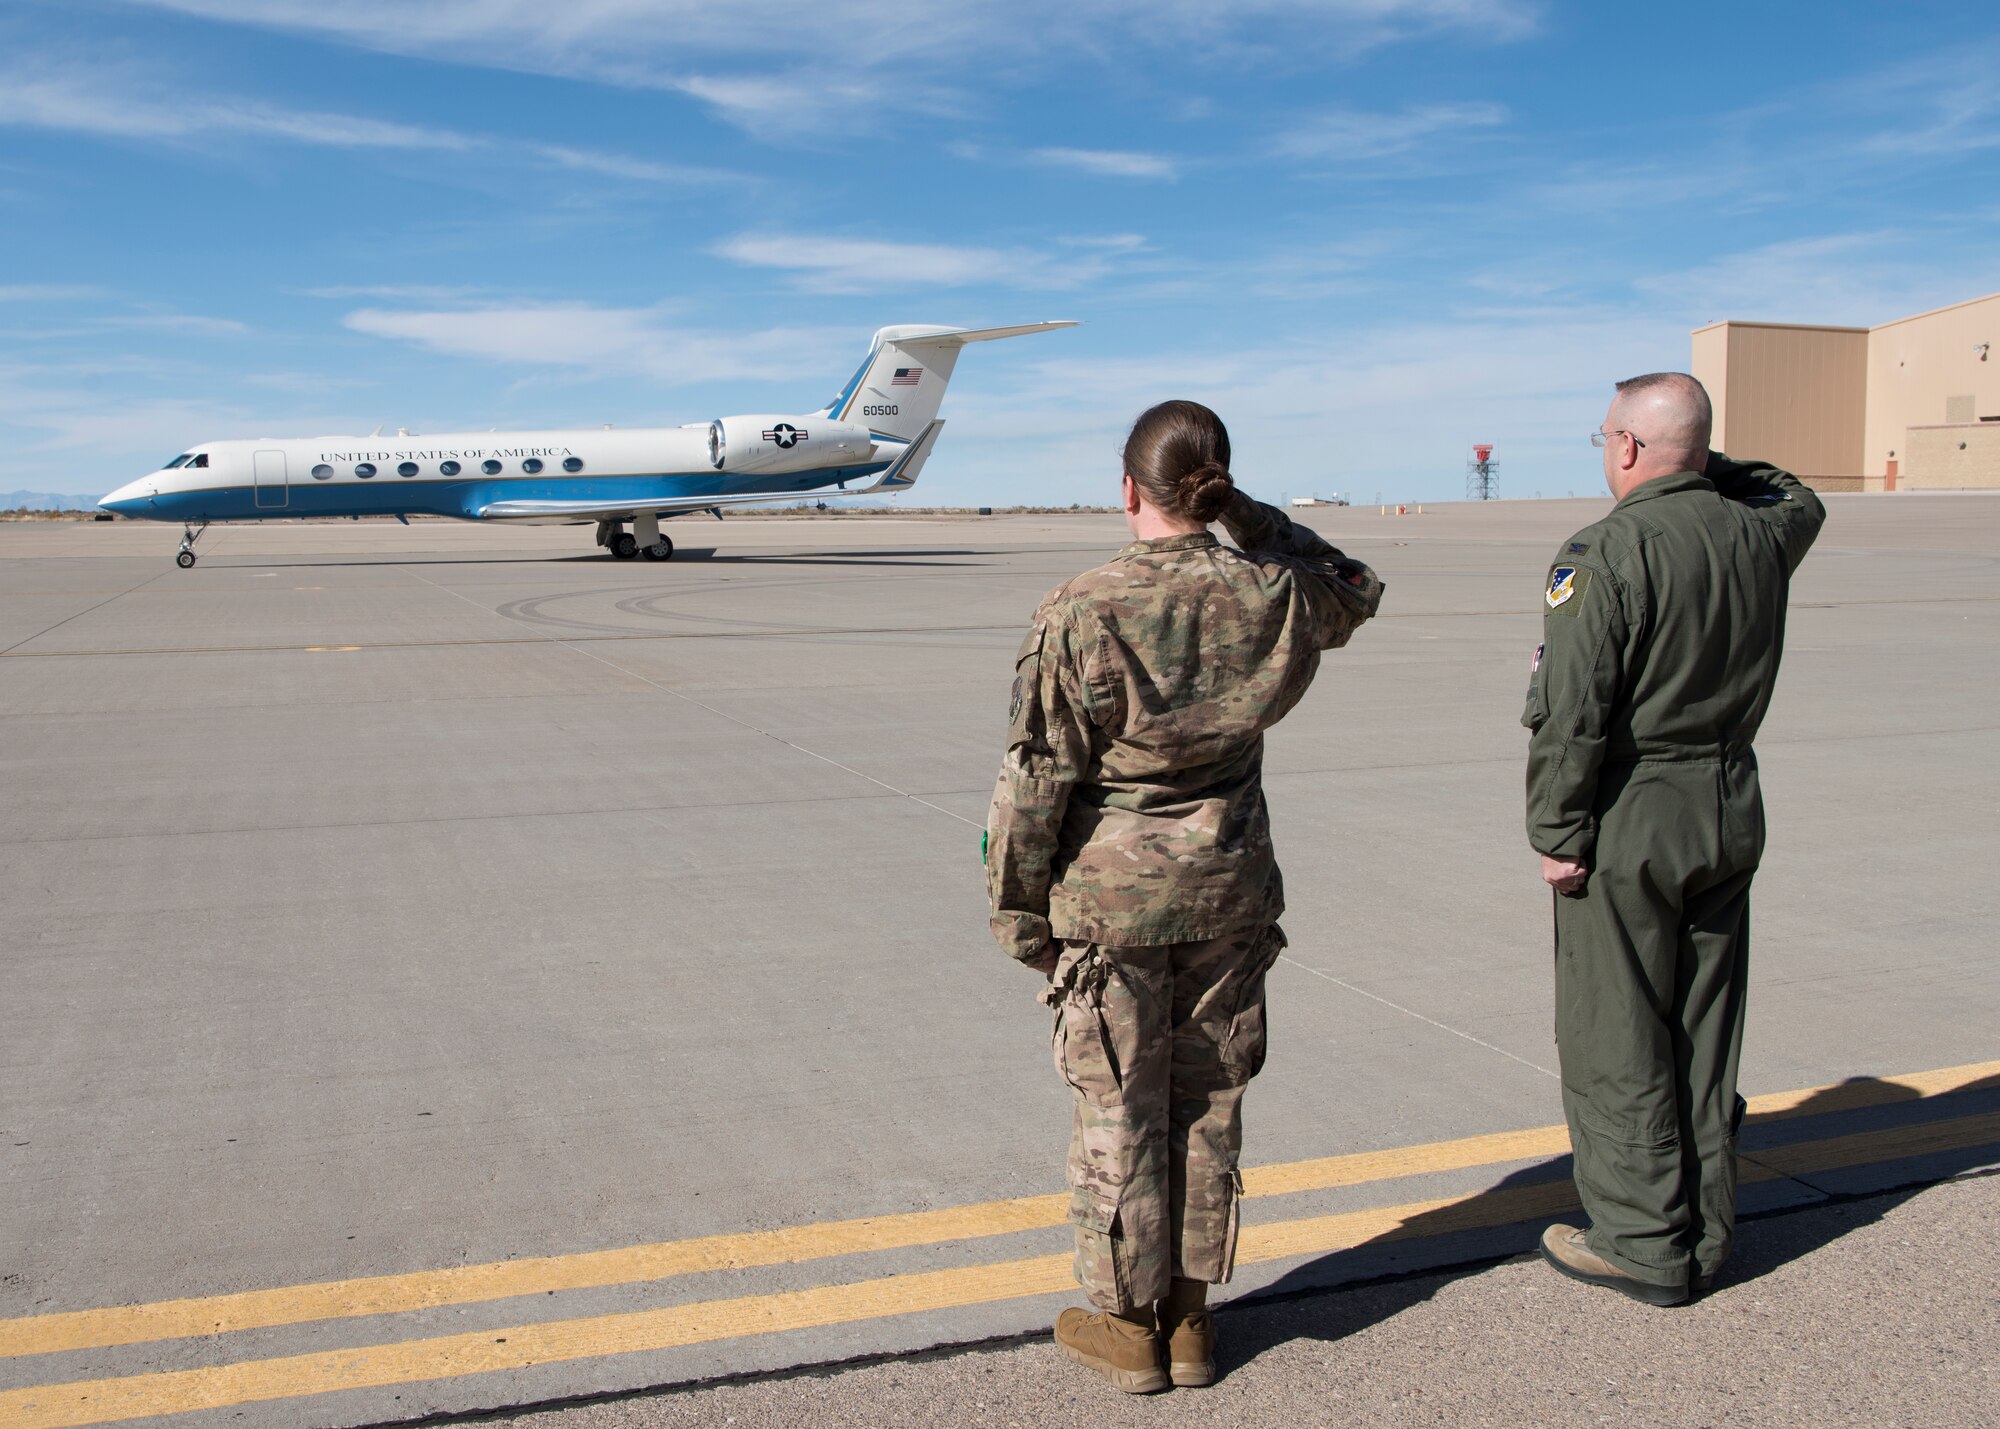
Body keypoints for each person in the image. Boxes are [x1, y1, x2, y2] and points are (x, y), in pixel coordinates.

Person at [986, 400, 1383, 1392]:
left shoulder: (1079, 606)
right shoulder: (1273, 594)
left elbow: (1036, 775)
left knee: (1117, 1103)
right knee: (1207, 1097)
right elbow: (1355, 584)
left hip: (1110, 900)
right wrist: (1240, 514)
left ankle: (1127, 1326)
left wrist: (1015, 904)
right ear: (1214, 486)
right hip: (1226, 885)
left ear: (1128, 489)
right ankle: (1192, 1317)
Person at [1524, 372, 1825, 1306]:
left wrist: (1557, 829)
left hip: (1635, 810)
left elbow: (1573, 713)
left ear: (1624, 449)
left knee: (1616, 1028)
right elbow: (1796, 496)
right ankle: (1705, 1226)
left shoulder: (1604, 551)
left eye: (1610, 438)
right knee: (1705, 1024)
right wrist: (1695, 463)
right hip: (1730, 799)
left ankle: (1641, 1238)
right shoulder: (1760, 534)